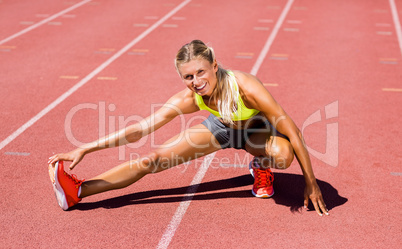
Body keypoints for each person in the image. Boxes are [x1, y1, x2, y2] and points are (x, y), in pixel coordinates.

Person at [48, 40, 329, 216]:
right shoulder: (189, 97)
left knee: (283, 154)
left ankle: (261, 166)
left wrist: (311, 183)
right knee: (151, 161)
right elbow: (140, 130)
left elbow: (293, 131)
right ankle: (79, 191)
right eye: (188, 76)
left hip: (258, 132)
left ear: (215, 66)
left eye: (201, 72)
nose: (196, 81)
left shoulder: (247, 88)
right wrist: (85, 147)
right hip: (221, 129)